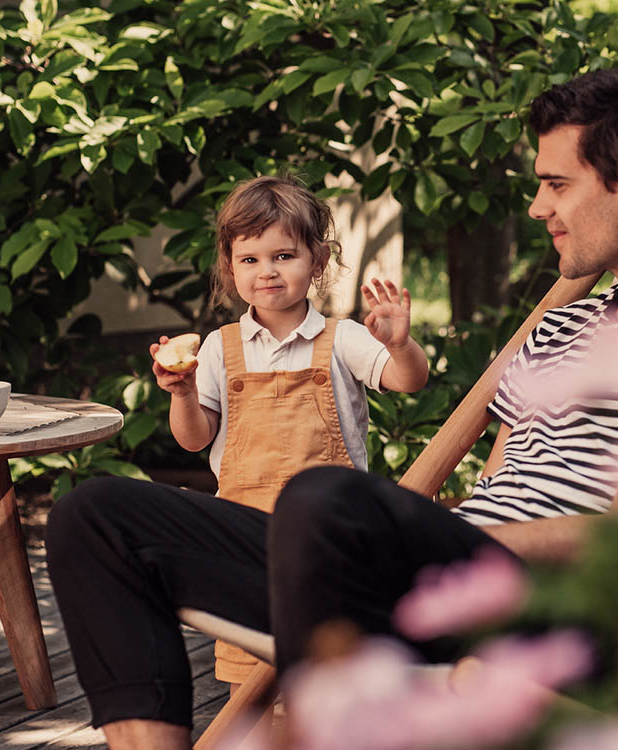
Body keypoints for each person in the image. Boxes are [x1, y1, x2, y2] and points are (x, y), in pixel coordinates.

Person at [46, 68, 618, 749]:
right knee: (100, 516)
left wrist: (429, 546)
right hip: (437, 590)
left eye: (556, 185)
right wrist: (423, 549)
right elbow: (504, 481)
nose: (537, 208)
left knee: (326, 499)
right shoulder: (566, 323)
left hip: (583, 630)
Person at [148, 174, 430, 693]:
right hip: (245, 537)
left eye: (284, 256)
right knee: (251, 678)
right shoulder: (218, 347)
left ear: (317, 262)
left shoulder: (342, 339)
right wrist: (182, 393)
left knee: (334, 670)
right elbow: (193, 440)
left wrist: (399, 345)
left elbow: (409, 380)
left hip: (332, 539)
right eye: (250, 259)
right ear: (231, 267)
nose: (267, 272)